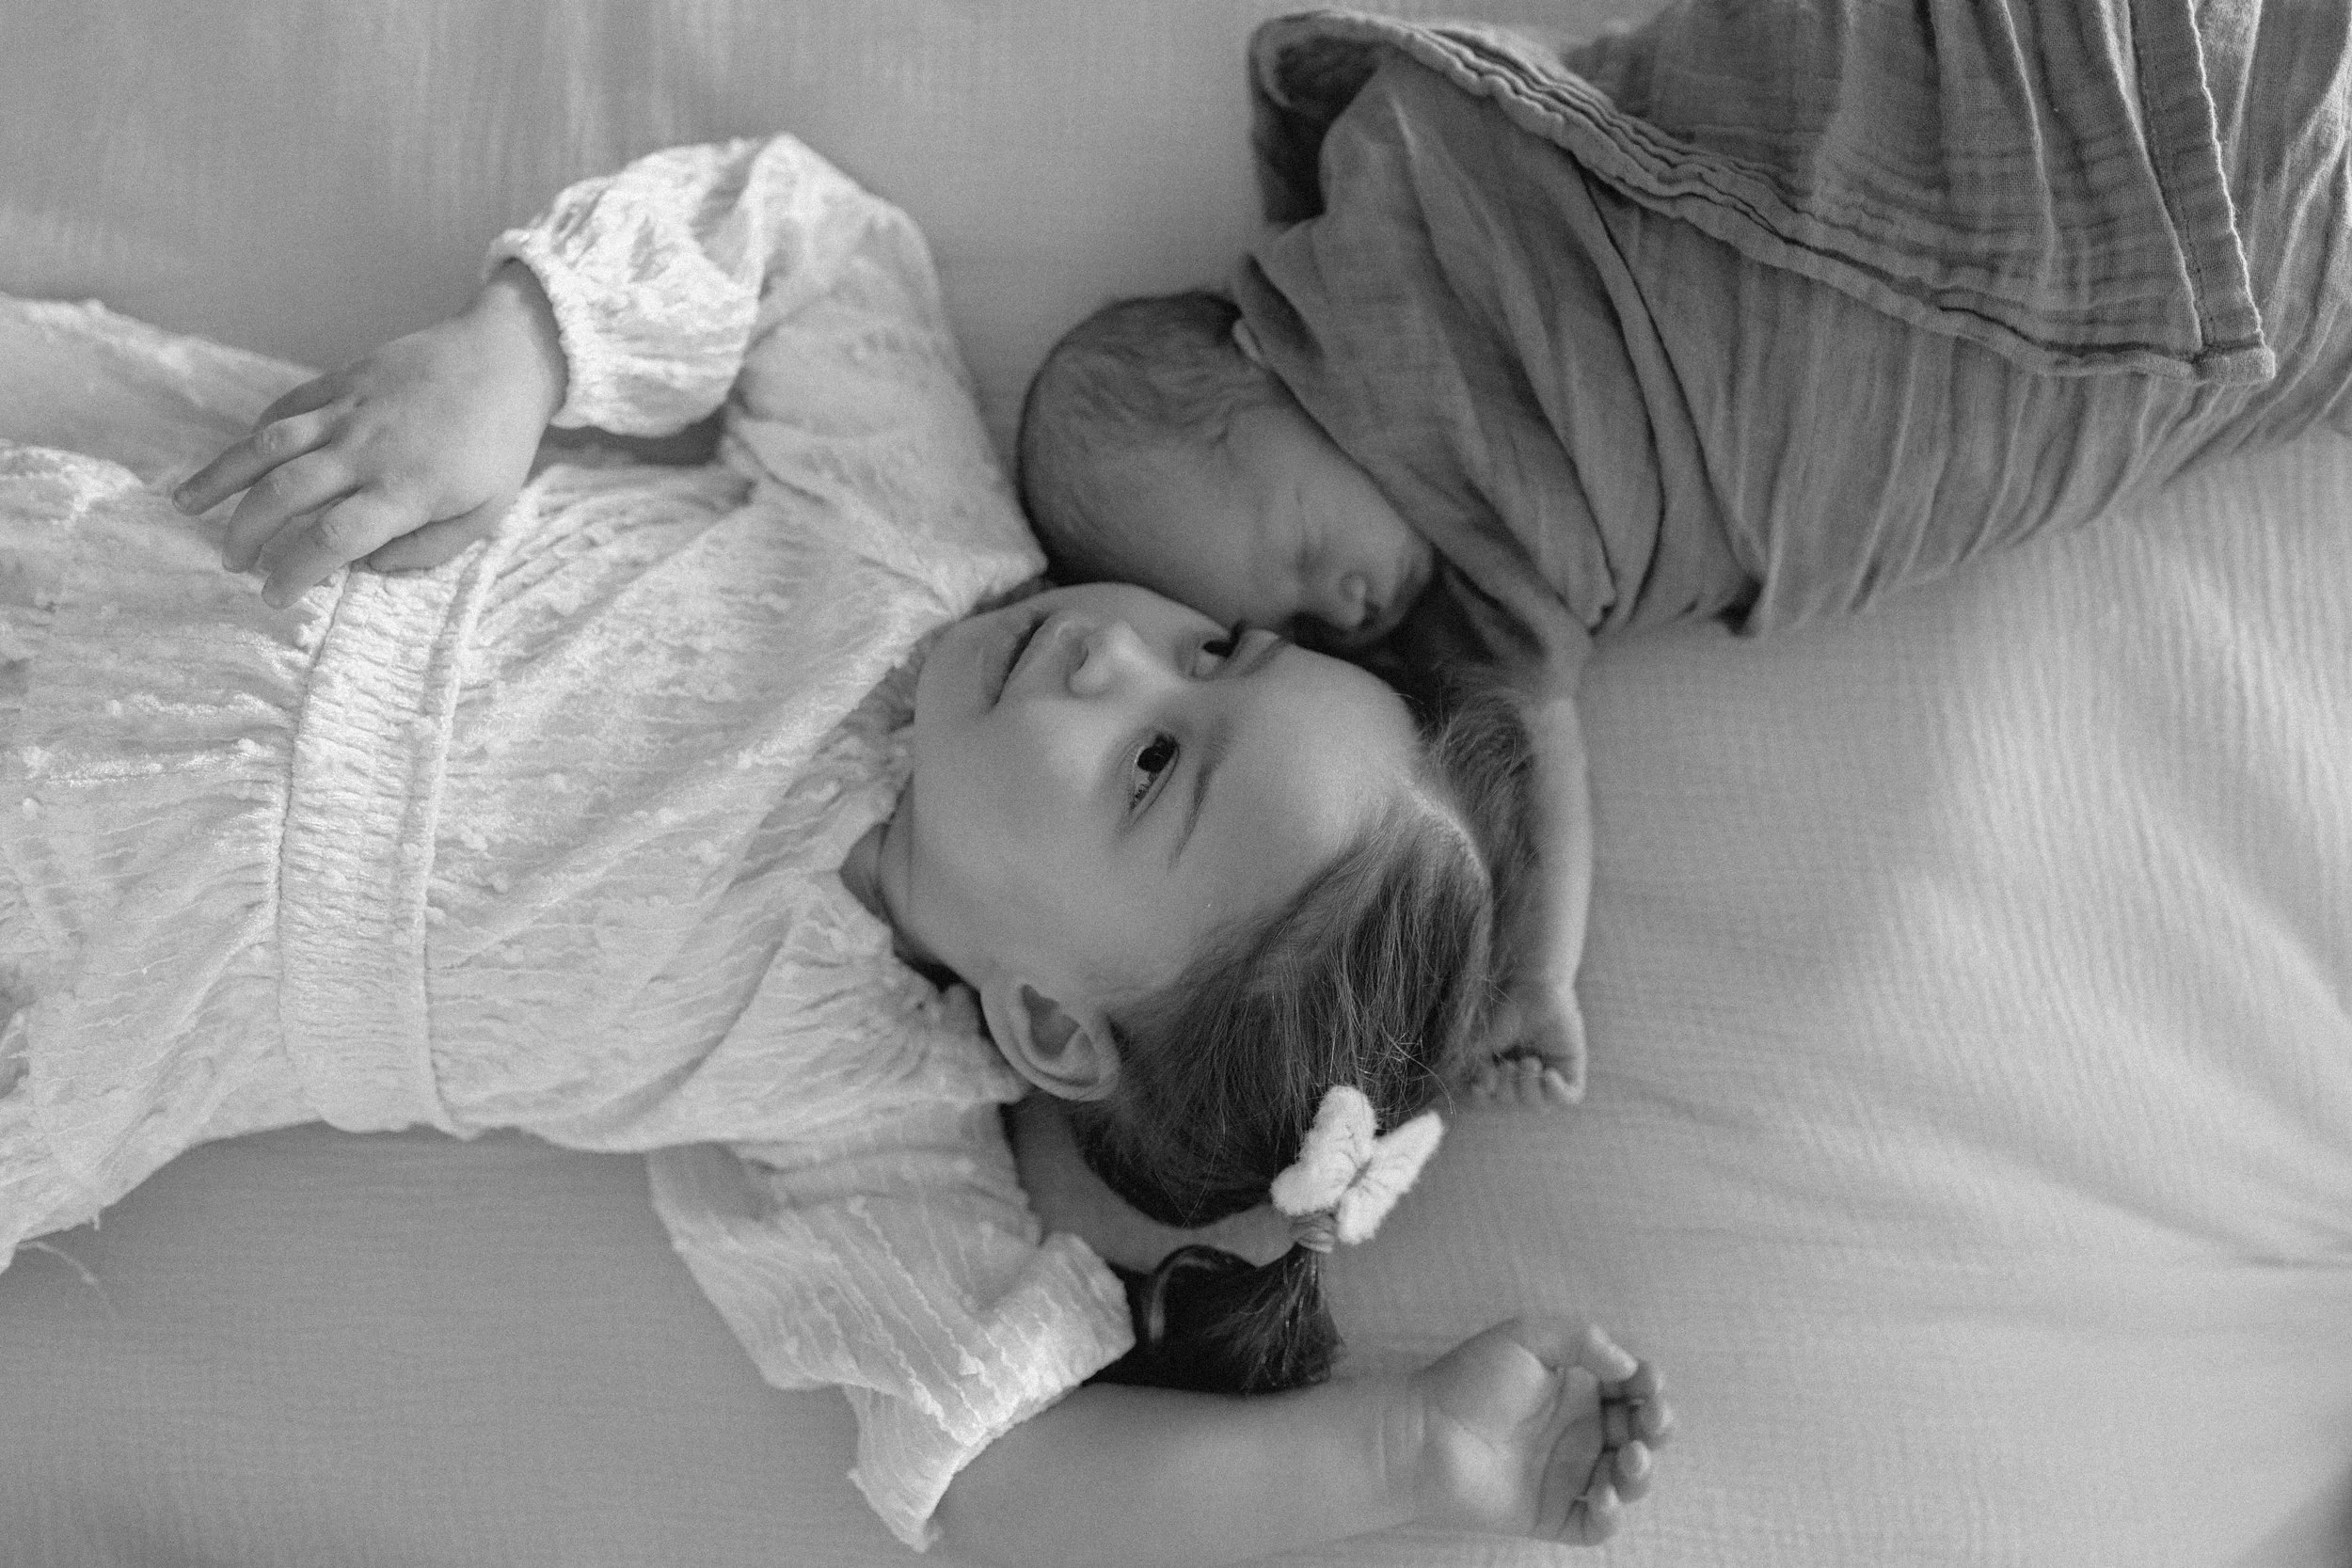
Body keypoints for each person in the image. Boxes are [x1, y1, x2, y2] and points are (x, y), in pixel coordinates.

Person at [0, 135, 1669, 1564]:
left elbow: (995, 1462)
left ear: (1051, 1023)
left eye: (1155, 764)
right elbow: (799, 236)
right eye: (1216, 644)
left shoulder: (861, 1104)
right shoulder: (917, 533)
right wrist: (517, 359)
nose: (1118, 649)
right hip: (161, 571)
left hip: (100, 984)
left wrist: (1407, 1455)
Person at [1013, 0, 2352, 1093]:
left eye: (1304, 548)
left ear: (1254, 348)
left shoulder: (1392, 218)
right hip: (1859, 423)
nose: (1351, 604)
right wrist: (1538, 974)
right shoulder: (1468, 604)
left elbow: (1505, 117)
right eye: (1309, 627)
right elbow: (1535, 752)